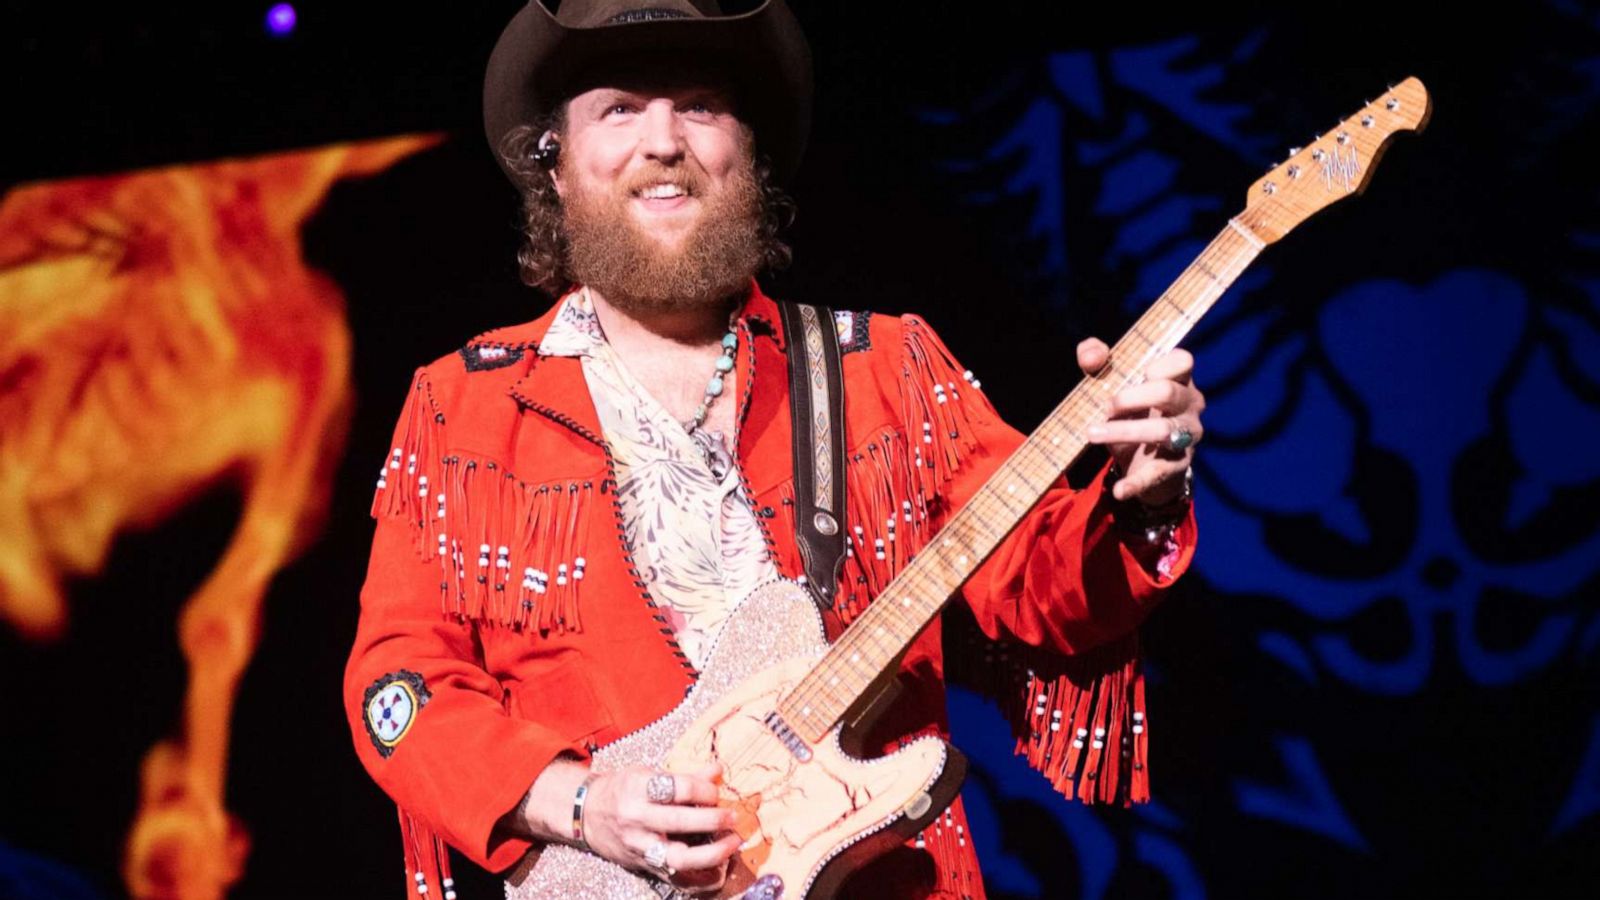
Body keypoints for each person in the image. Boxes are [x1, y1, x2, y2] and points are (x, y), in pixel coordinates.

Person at [344, 1, 1204, 897]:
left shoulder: (886, 368)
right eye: (620, 109)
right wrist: (579, 800)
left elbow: (1043, 590)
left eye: (702, 106)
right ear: (555, 165)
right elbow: (397, 689)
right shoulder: (463, 405)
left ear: (745, 156)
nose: (664, 140)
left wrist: (1143, 498)